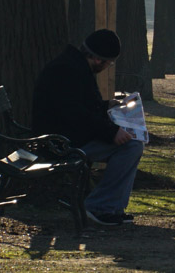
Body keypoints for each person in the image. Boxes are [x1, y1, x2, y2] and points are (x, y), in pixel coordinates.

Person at [31, 30, 142, 227]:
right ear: (99, 60)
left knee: (131, 145)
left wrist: (107, 106)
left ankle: (110, 207)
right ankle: (101, 206)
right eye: (109, 63)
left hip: (64, 137)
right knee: (131, 146)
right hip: (62, 143)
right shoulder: (69, 71)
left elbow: (80, 107)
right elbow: (76, 114)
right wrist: (111, 132)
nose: (107, 67)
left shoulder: (71, 66)